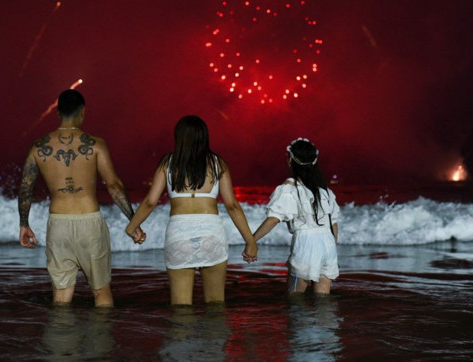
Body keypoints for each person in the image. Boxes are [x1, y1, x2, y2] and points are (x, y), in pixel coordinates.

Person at [18, 89, 145, 307]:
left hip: (58, 224)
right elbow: (114, 185)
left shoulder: (39, 147)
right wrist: (133, 221)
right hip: (90, 223)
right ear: (83, 112)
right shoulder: (96, 144)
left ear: (57, 112)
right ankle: (101, 340)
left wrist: (24, 224)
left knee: (61, 296)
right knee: (101, 292)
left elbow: (25, 188)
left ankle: (60, 340)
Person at [125, 115, 258, 305]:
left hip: (179, 235)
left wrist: (132, 227)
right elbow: (232, 205)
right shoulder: (217, 164)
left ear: (178, 137)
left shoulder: (168, 163)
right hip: (211, 234)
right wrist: (250, 241)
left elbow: (149, 202)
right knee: (215, 306)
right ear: (204, 137)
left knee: (181, 308)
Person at [252, 138, 340, 294]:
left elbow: (273, 218)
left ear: (290, 159)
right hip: (328, 244)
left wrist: (251, 241)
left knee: (295, 300)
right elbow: (333, 223)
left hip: (306, 244)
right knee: (323, 304)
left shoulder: (290, 187)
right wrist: (331, 246)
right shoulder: (324, 190)